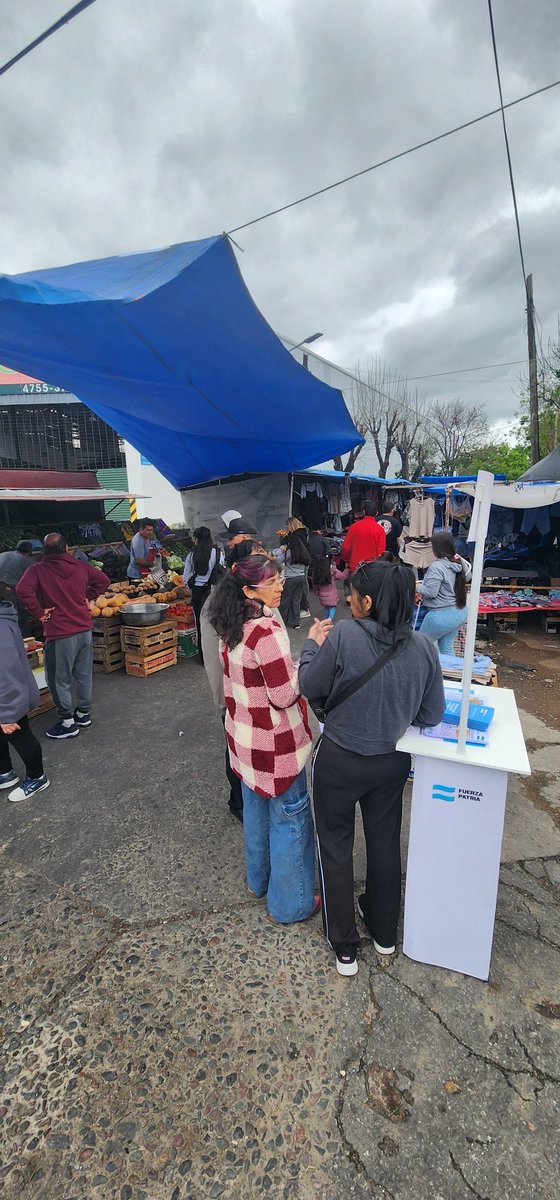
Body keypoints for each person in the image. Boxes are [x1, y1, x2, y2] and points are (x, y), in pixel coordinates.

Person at [299, 560, 444, 977]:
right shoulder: (424, 647)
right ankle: (384, 934)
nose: (347, 600)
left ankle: (344, 945)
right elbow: (432, 715)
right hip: (390, 764)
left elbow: (310, 685)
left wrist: (311, 646)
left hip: (339, 761)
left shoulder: (343, 634)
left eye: (354, 595)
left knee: (335, 846)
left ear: (368, 601)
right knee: (384, 845)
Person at [209, 553, 320, 924]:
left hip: (244, 741)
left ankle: (258, 882)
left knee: (256, 813)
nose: (280, 586)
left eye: (280, 579)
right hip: (276, 746)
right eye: (271, 583)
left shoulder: (232, 623)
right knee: (290, 820)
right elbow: (285, 694)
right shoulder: (266, 631)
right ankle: (291, 904)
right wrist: (310, 651)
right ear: (247, 590)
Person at [16, 532, 110, 740]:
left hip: (60, 633)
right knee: (84, 674)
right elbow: (103, 581)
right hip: (84, 630)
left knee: (59, 679)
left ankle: (67, 722)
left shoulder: (37, 570)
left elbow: (22, 590)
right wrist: (88, 597)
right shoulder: (80, 566)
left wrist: (39, 612)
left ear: (44, 551)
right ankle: (83, 714)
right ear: (67, 549)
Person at [200, 516, 262, 821]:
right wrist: (223, 698)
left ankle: (251, 797)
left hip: (251, 692)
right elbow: (215, 656)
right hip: (234, 692)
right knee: (235, 744)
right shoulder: (221, 598)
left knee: (251, 744)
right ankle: (238, 802)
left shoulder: (254, 592)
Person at [0, 585, 50, 803]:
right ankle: (5, 773)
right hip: (7, 695)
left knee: (19, 735)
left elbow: (5, 672)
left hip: (8, 696)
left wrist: (6, 713)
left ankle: (37, 777)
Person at [417, 532, 472, 655]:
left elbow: (430, 593)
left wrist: (416, 586)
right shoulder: (458, 561)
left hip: (441, 615)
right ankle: (450, 674)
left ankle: (427, 673)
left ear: (436, 548)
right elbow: (468, 576)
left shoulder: (437, 567)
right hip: (460, 612)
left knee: (419, 647)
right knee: (446, 647)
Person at [182, 526, 222, 664]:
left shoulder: (191, 555)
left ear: (196, 539)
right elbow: (221, 571)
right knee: (216, 623)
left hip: (198, 593)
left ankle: (203, 658)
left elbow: (186, 577)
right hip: (214, 591)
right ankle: (218, 656)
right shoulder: (217, 553)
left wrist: (191, 588)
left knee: (201, 626)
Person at [276, 530, 311, 629]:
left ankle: (281, 622)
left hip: (290, 578)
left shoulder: (289, 552)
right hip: (301, 578)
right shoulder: (303, 552)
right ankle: (296, 622)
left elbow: (279, 561)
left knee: (285, 601)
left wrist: (282, 550)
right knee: (296, 600)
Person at [340, 501, 386, 572]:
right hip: (372, 569)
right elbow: (380, 552)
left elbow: (345, 548)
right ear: (376, 513)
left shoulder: (354, 527)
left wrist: (347, 560)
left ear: (364, 512)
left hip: (355, 567)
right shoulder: (380, 530)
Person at [286, 517, 311, 616]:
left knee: (302, 584)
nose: (287, 528)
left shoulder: (296, 536)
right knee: (303, 582)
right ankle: (304, 606)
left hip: (300, 561)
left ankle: (305, 607)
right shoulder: (304, 532)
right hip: (305, 560)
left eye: (288, 526)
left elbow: (294, 548)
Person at [310, 555, 348, 620]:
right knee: (332, 607)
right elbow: (342, 576)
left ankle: (326, 619)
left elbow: (315, 585)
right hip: (332, 595)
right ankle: (329, 619)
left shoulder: (316, 573)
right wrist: (347, 570)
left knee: (326, 607)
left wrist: (317, 592)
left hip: (322, 595)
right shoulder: (333, 571)